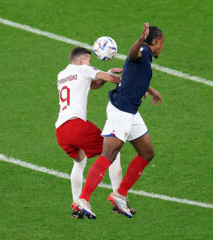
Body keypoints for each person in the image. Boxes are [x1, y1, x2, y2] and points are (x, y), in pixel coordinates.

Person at [76, 23, 164, 219]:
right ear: (156, 42)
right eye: (162, 44)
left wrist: (150, 90)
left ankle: (120, 194)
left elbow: (132, 74)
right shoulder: (142, 50)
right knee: (109, 154)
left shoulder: (147, 58)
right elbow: (132, 55)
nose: (162, 48)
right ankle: (82, 199)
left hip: (131, 111)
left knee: (147, 153)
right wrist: (141, 39)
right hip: (121, 110)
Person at [55, 47, 127, 219]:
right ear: (81, 61)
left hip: (61, 130)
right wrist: (127, 81)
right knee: (113, 151)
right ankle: (119, 199)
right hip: (77, 126)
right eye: (89, 60)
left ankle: (76, 206)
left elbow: (93, 85)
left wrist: (106, 71)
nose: (90, 63)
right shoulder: (84, 68)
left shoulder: (61, 74)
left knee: (80, 163)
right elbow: (112, 79)